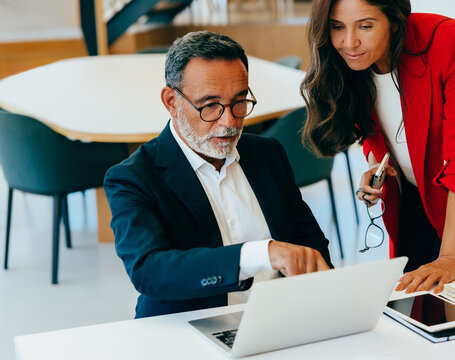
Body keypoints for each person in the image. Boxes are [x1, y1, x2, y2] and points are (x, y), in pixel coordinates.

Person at [301, 0, 455, 294]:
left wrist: (450, 258)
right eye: (337, 27)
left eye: (365, 25)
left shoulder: (449, 41)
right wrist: (376, 161)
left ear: (394, 19)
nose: (349, 42)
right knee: (419, 317)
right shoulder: (349, 61)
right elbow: (374, 126)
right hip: (417, 203)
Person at [104, 31, 332, 318]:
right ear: (171, 102)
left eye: (239, 102)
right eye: (210, 105)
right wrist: (260, 254)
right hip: (188, 333)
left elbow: (309, 242)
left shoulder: (267, 154)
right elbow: (150, 271)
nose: (229, 122)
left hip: (281, 322)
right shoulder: (133, 177)